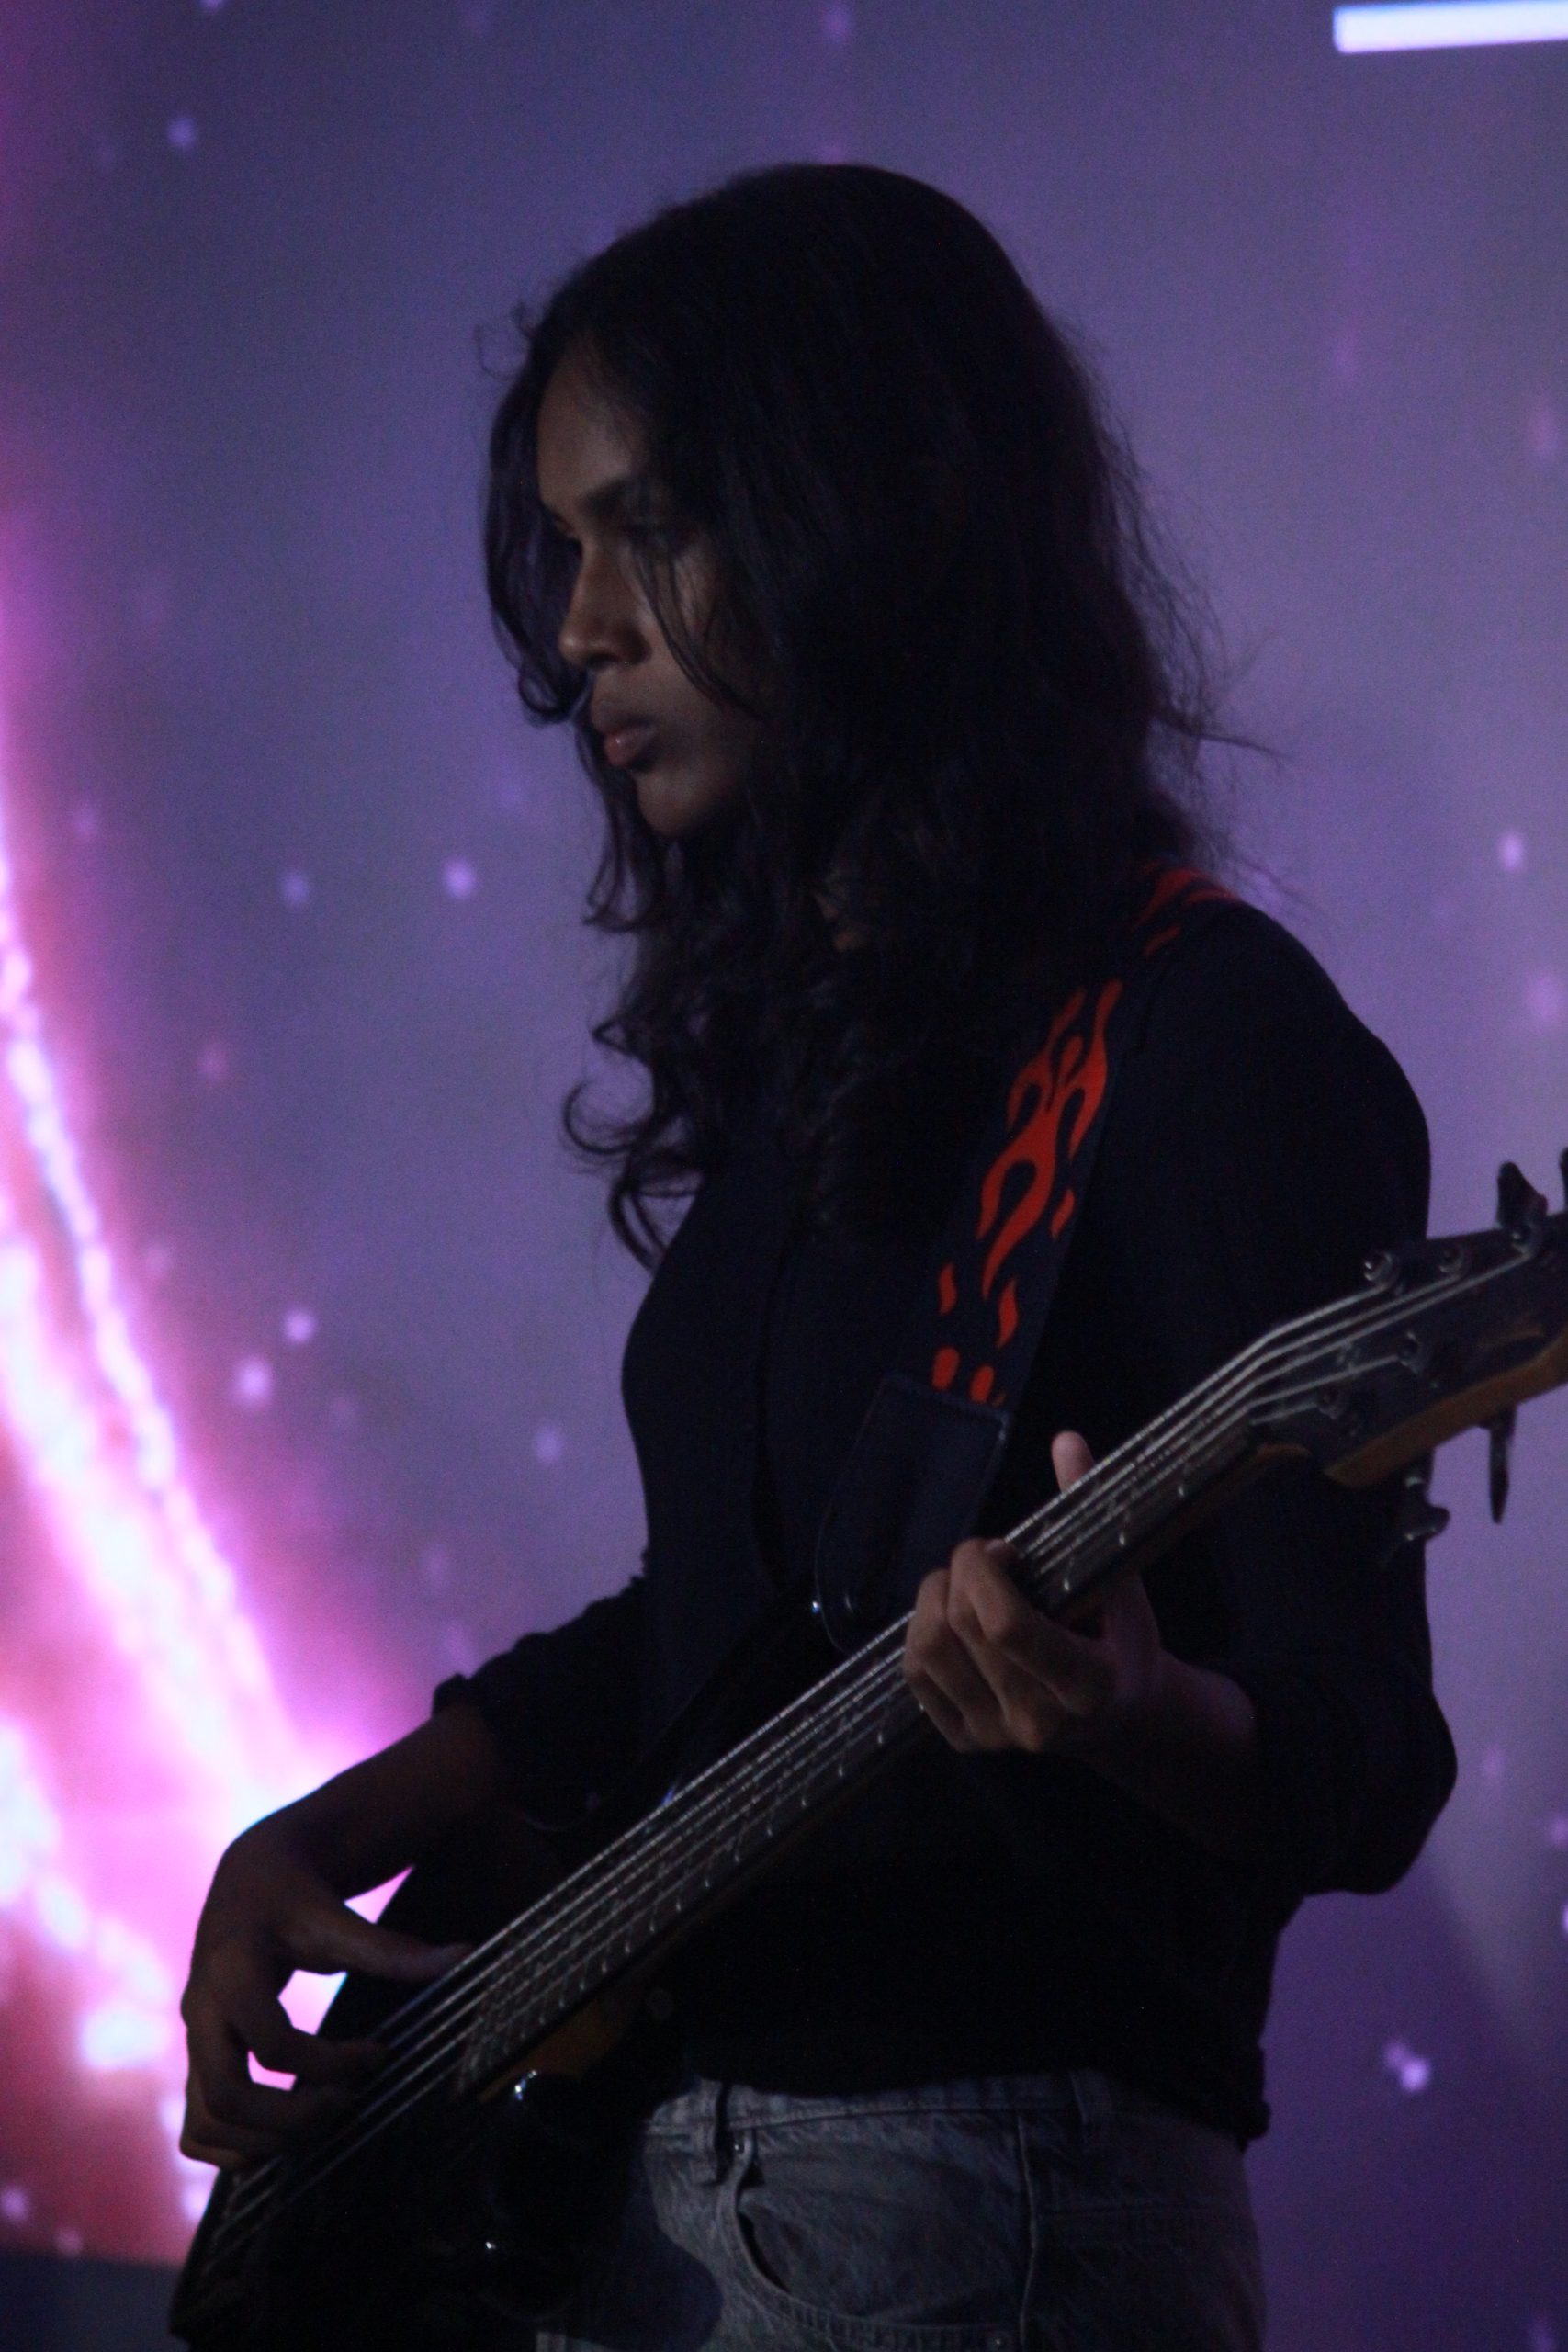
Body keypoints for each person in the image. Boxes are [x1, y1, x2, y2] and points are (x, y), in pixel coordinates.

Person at [178, 164, 1456, 2349]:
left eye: (648, 530)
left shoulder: (1199, 1035)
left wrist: (1134, 1711)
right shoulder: (831, 1044)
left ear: (873, 519)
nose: (577, 627)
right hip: (696, 2187)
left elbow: (1361, 1750)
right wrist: (331, 1823)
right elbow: (741, 1632)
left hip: (974, 2198)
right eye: (565, 549)